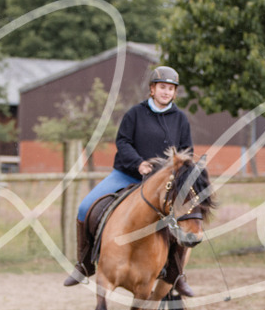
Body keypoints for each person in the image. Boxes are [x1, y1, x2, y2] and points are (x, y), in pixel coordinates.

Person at [63, 66, 196, 293]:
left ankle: (176, 274)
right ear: (152, 89)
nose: (166, 92)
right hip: (127, 175)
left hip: (164, 184)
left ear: (174, 93)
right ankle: (84, 264)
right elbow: (123, 142)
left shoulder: (180, 119)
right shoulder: (135, 113)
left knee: (185, 218)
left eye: (171, 89)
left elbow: (187, 151)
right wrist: (138, 163)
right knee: (85, 207)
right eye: (162, 87)